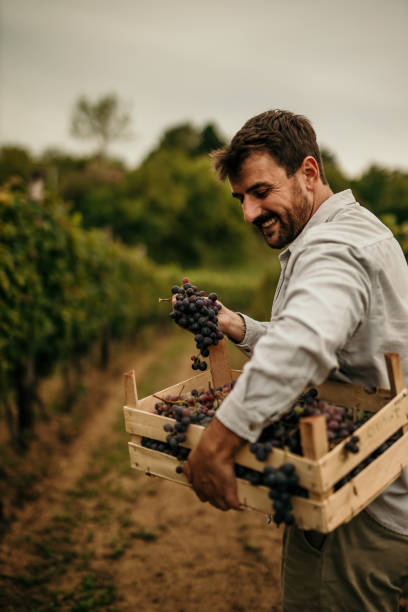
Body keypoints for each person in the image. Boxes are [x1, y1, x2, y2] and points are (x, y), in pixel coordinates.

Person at [182, 110, 408, 611]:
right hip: (381, 484)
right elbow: (328, 348)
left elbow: (303, 345)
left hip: (359, 509)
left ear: (308, 172)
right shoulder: (360, 229)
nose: (249, 213)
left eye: (261, 191)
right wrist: (241, 327)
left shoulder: (333, 248)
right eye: (241, 199)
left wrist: (219, 441)